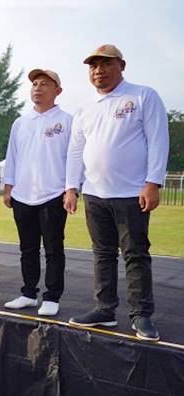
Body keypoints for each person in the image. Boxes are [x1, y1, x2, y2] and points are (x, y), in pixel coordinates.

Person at [64, 45, 169, 341]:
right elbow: (75, 150)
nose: (98, 70)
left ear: (121, 65)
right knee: (102, 254)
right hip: (94, 194)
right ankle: (105, 310)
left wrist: (153, 182)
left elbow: (158, 140)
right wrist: (71, 187)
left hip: (132, 192)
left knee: (135, 254)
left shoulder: (143, 96)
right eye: (93, 66)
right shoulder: (84, 107)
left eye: (105, 64)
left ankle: (141, 315)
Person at [2, 69, 72, 317]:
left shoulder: (67, 121)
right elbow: (12, 156)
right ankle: (28, 293)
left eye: (44, 84)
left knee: (53, 249)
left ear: (58, 90)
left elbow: (74, 158)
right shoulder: (20, 122)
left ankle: (52, 297)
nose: (38, 88)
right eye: (34, 84)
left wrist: (71, 189)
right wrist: (8, 187)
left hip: (53, 194)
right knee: (27, 248)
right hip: (22, 195)